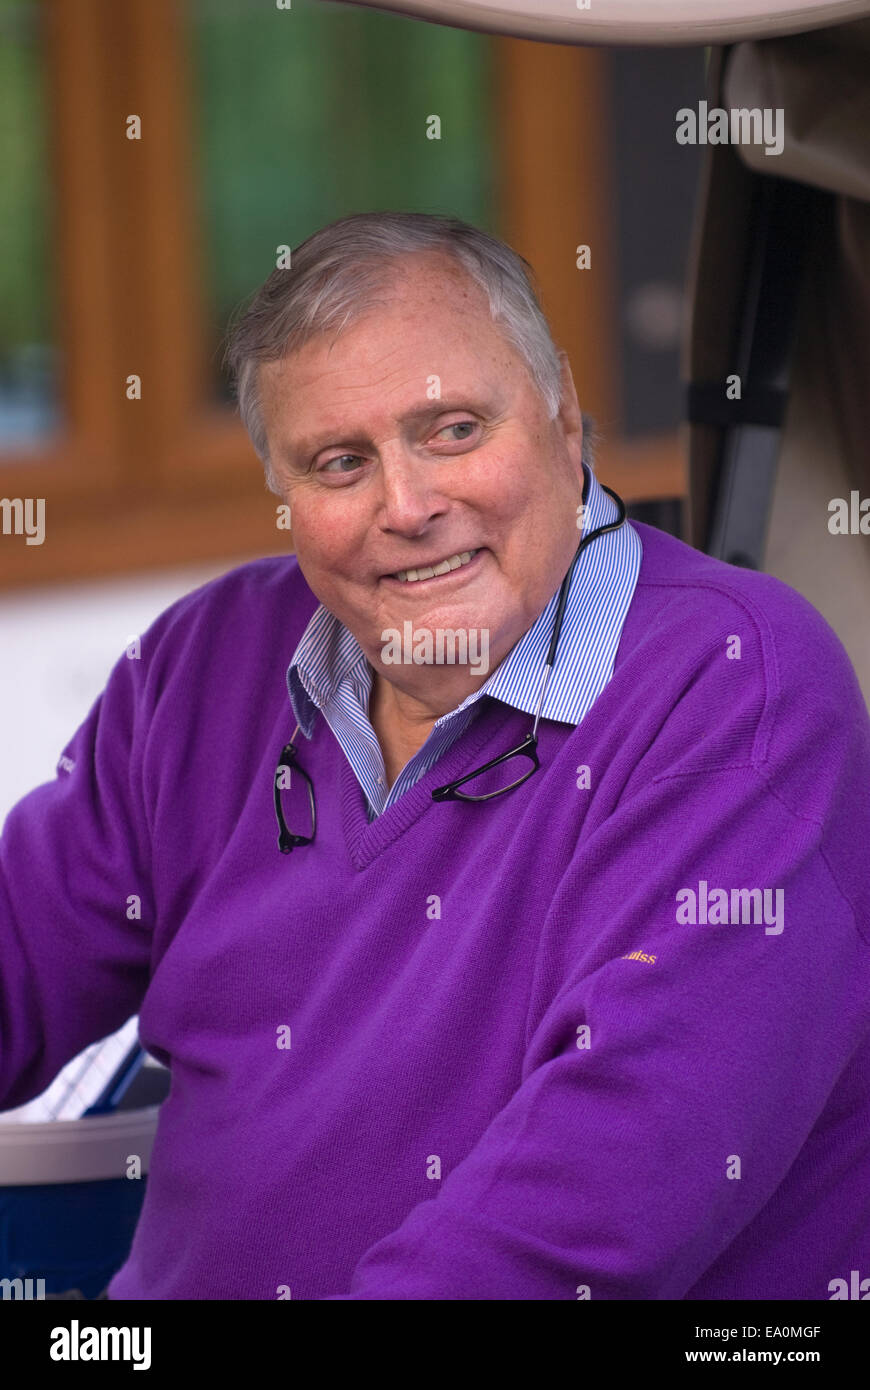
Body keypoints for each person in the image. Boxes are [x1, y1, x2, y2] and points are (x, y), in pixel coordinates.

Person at [1, 211, 868, 1300]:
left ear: (561, 414)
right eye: (339, 461)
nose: (406, 506)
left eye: (452, 428)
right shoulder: (205, 664)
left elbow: (594, 1205)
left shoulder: (740, 685)